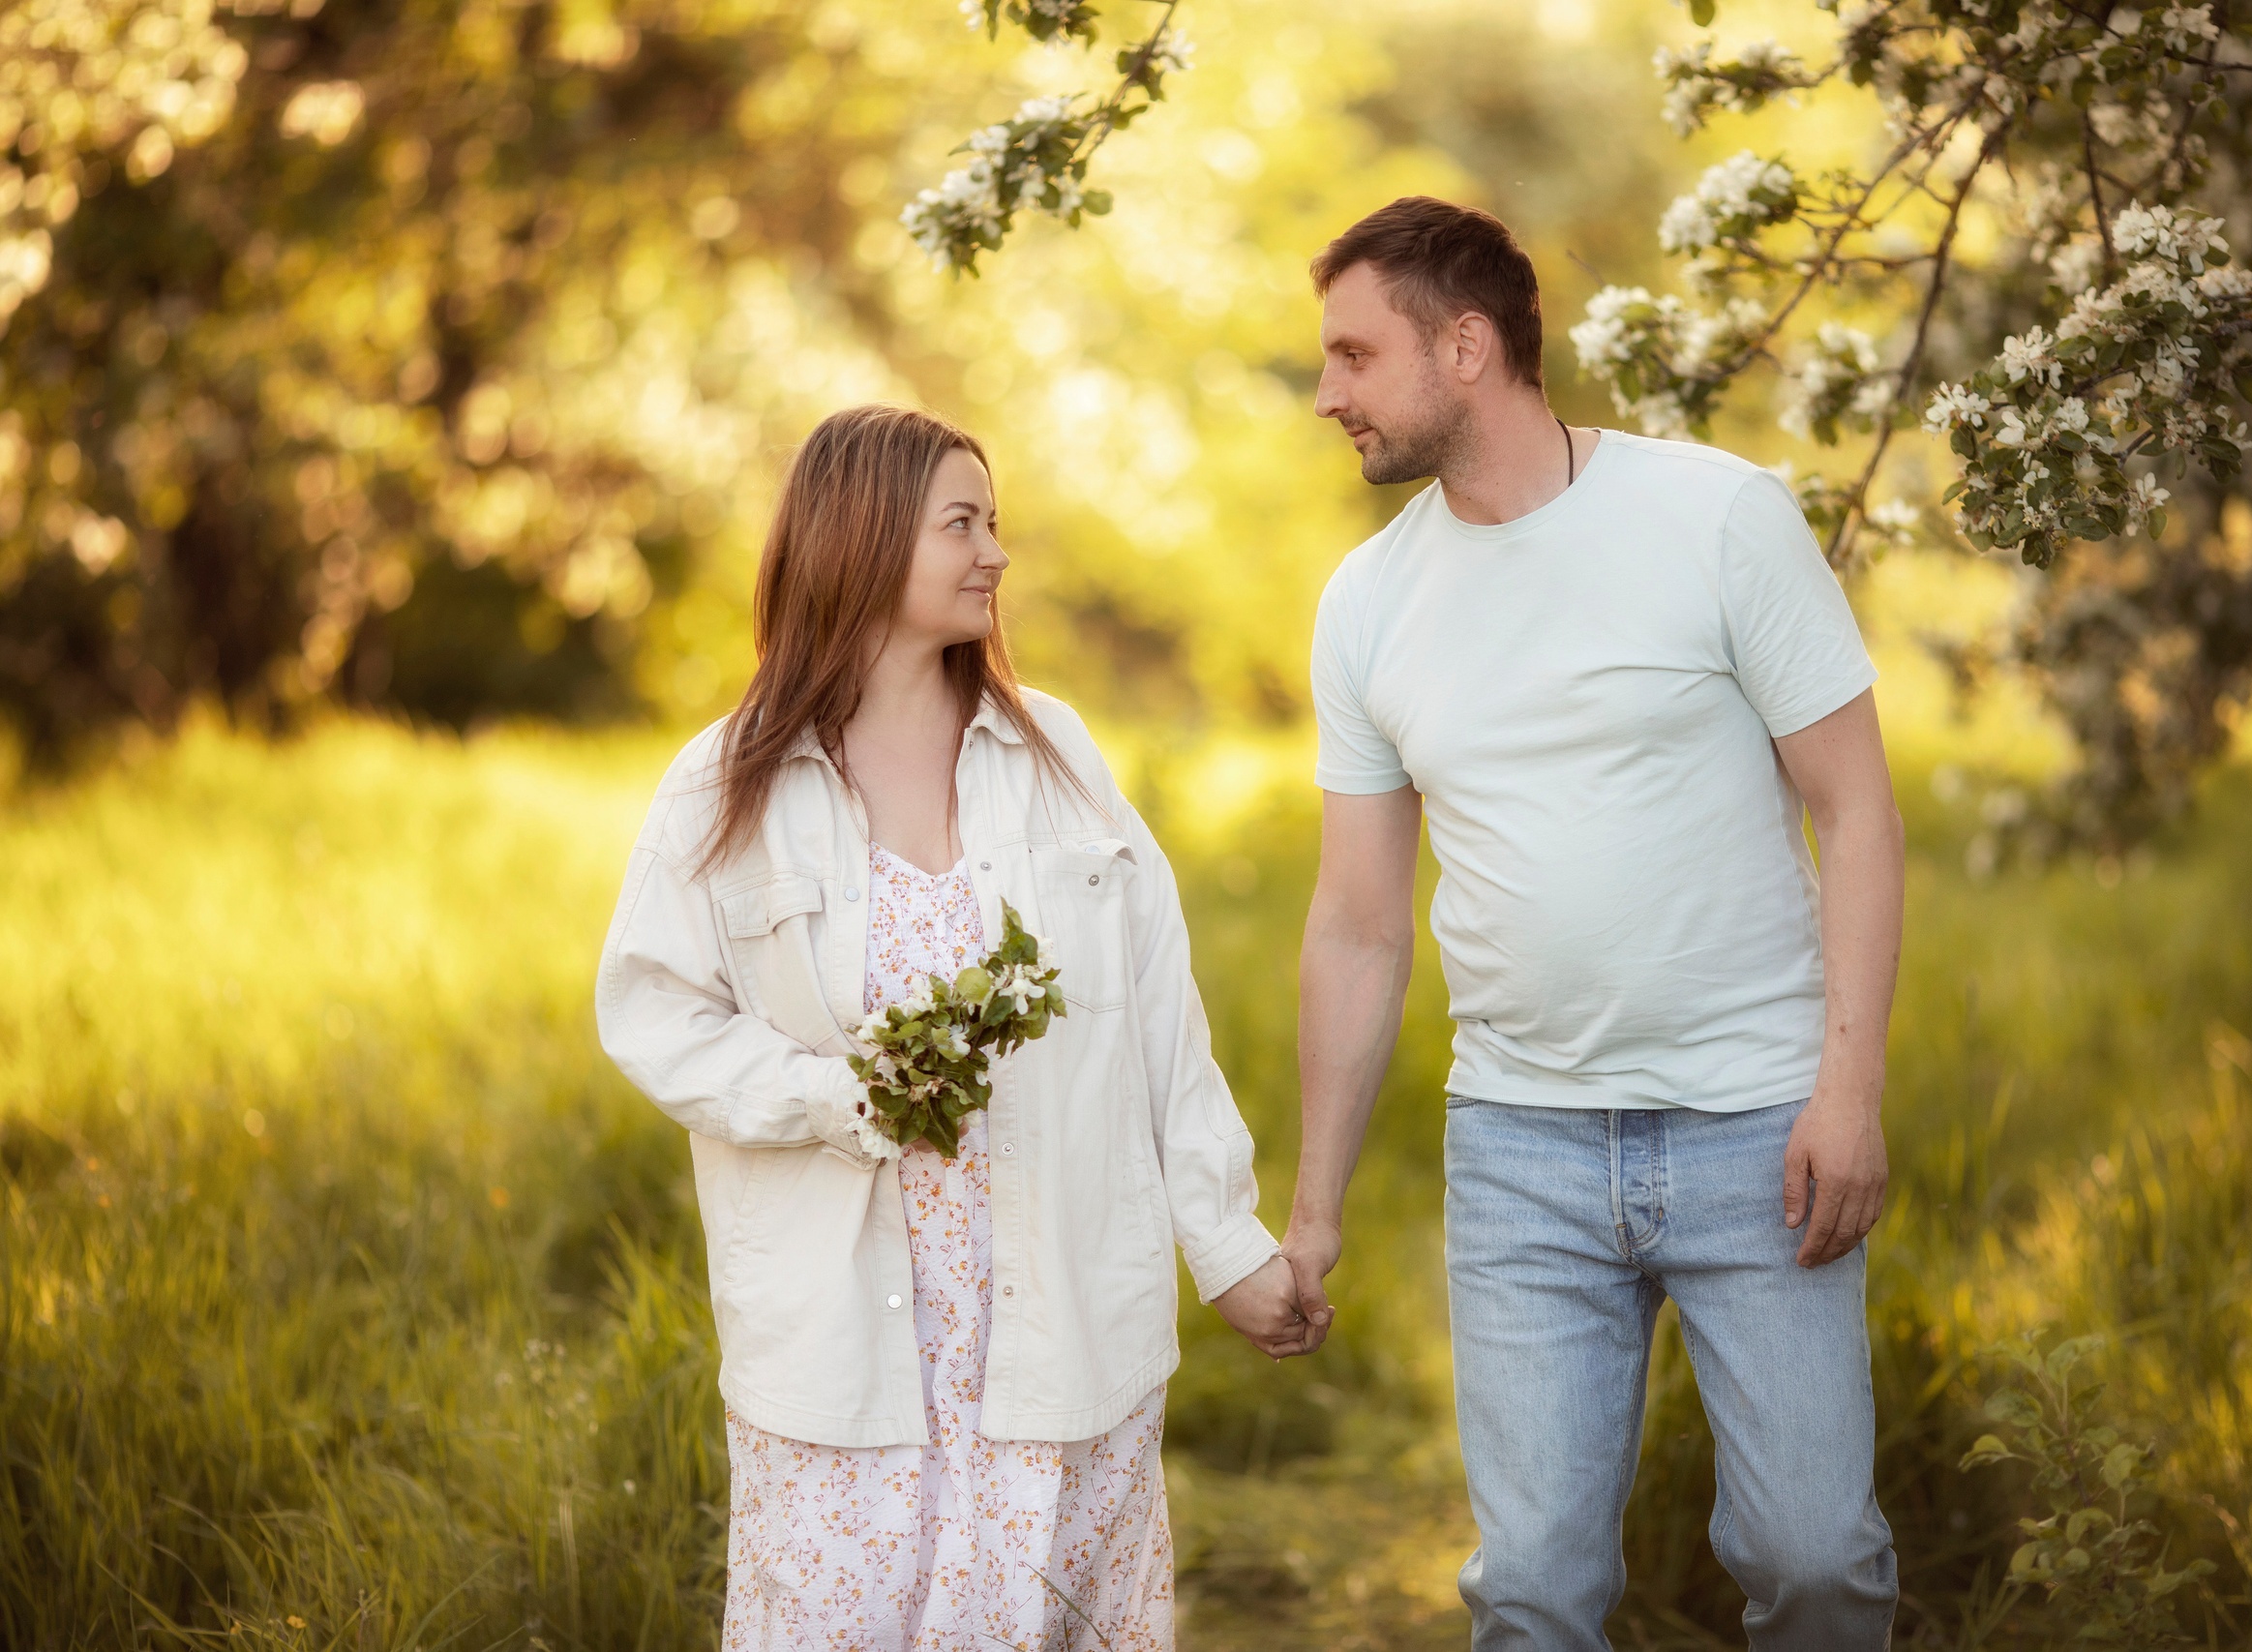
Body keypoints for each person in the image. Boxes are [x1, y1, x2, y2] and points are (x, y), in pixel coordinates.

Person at [1279, 197, 1906, 1649]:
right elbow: (1359, 926)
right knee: (1537, 1592)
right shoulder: (1366, 605)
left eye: (1355, 357)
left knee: (1815, 1561)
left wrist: (1849, 1090)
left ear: (1468, 346)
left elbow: (1857, 813)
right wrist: (1314, 1212)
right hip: (1522, 1151)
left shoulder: (1718, 516)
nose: (1329, 395)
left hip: (1763, 1132)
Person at [595, 404, 1314, 1650]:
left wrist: (1229, 1242)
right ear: (864, 540)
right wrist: (836, 1095)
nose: (995, 555)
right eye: (962, 525)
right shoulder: (727, 784)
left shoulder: (1056, 757)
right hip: (842, 1337)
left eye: (996, 524)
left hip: (1054, 1315)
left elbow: (1159, 1017)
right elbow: (651, 1012)